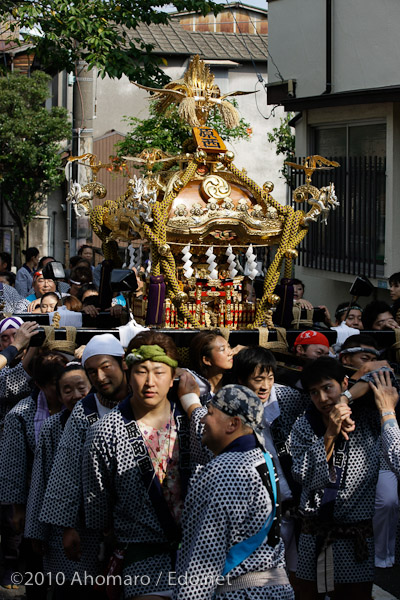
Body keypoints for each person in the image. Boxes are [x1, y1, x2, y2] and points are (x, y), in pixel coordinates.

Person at [82, 331, 192, 600]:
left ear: (174, 376)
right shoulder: (105, 430)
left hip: (198, 554)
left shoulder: (193, 423)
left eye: (159, 372)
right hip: (141, 553)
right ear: (128, 373)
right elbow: (98, 503)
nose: (150, 382)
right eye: (141, 372)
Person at [173, 384, 294, 600]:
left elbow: (203, 558)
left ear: (233, 423)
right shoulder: (262, 457)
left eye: (209, 413)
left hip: (240, 592)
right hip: (275, 589)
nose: (202, 420)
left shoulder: (226, 469)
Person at [290, 357, 381, 600]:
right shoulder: (304, 425)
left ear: (343, 382)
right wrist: (329, 433)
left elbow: (383, 370)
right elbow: (303, 474)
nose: (322, 399)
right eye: (314, 392)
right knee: (308, 594)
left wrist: (346, 398)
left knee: (356, 596)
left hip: (355, 534)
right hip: (314, 532)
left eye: (328, 387)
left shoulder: (366, 416)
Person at [40, 334, 130, 566]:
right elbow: (66, 471)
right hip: (93, 523)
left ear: (123, 363)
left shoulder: (142, 400)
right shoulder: (84, 410)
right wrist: (67, 526)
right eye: (91, 371)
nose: (99, 377)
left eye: (106, 367)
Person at [231, 346, 308, 587]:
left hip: (293, 502)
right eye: (258, 379)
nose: (265, 386)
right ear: (242, 380)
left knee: (298, 573)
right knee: (264, 579)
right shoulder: (229, 406)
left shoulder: (288, 397)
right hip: (258, 511)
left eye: (270, 378)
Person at [24, 363, 101, 600]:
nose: (75, 395)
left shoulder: (108, 422)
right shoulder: (51, 427)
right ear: (58, 395)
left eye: (81, 388)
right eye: (67, 390)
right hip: (61, 527)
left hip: (100, 526)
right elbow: (40, 479)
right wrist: (35, 533)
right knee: (67, 589)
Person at [187, 329, 234, 402]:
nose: (230, 352)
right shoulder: (197, 390)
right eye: (222, 349)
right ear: (207, 360)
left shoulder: (234, 386)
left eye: (229, 347)